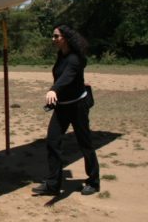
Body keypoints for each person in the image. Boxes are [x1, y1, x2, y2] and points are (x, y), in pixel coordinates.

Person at [32, 25, 100, 196]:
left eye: (56, 36)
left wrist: (54, 89)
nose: (53, 39)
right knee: (53, 141)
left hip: (78, 106)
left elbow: (67, 76)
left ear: (65, 38)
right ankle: (53, 185)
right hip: (63, 107)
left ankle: (93, 181)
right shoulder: (61, 55)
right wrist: (55, 94)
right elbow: (62, 76)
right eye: (53, 36)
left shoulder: (75, 59)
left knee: (85, 143)